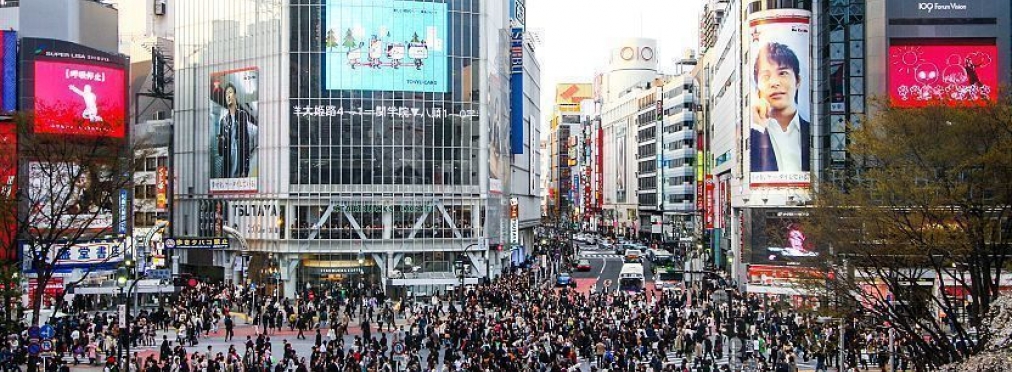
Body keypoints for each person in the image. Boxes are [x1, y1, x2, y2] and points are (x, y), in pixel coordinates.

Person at [749, 41, 811, 173]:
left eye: (782, 73)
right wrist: (760, 128)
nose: (774, 83)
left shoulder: (813, 132)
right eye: (766, 76)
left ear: (798, 81)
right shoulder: (752, 136)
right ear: (757, 87)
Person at [215, 82, 257, 178]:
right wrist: (220, 142)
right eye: (226, 94)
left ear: (235, 95)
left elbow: (245, 143)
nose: (228, 96)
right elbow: (221, 152)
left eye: (230, 93)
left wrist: (245, 168)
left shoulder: (242, 115)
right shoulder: (223, 121)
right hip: (227, 165)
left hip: (239, 163)